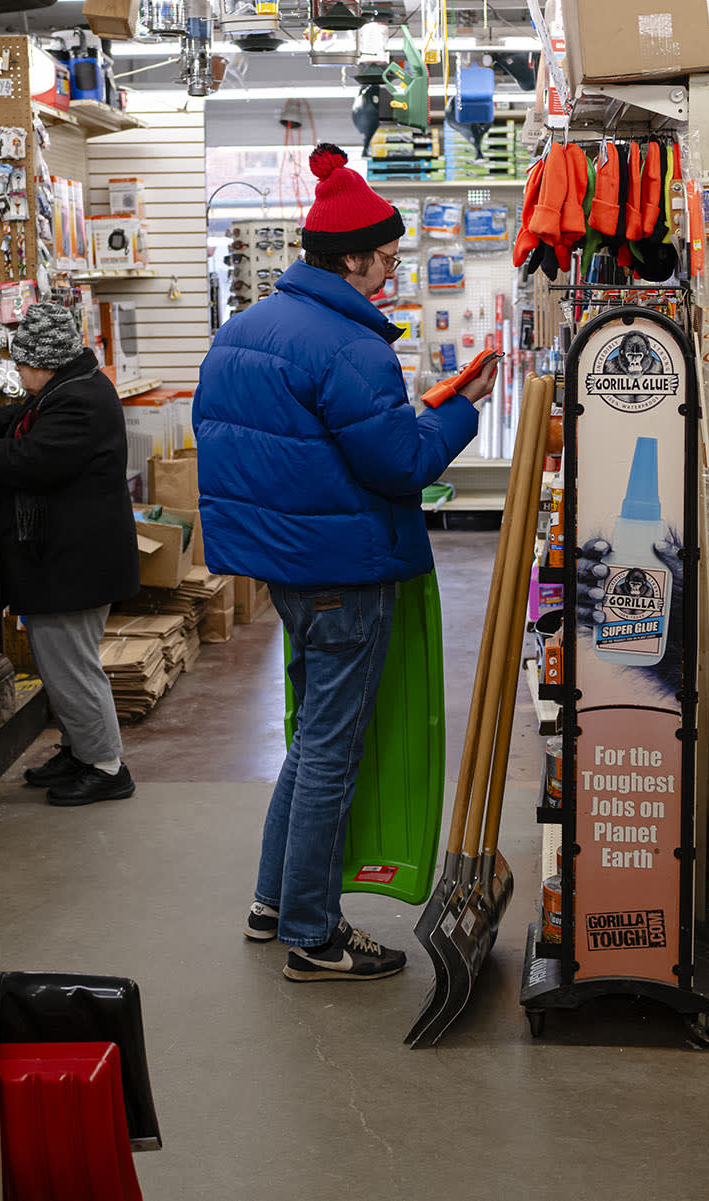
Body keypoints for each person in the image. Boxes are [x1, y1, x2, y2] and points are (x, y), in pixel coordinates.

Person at [193, 144, 497, 982]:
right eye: (388, 258)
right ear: (352, 257)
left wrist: (418, 414)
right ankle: (313, 932)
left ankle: (271, 900)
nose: (393, 272)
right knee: (332, 747)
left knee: (308, 738)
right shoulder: (351, 345)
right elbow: (398, 464)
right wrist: (462, 409)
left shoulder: (246, 330)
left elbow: (297, 450)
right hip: (344, 571)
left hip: (285, 570)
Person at [0, 303, 138, 806]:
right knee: (62, 665)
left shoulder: (80, 401)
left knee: (71, 668)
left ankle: (107, 766)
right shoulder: (68, 387)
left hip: (74, 567)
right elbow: (16, 421)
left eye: (22, 366)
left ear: (43, 363)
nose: (17, 375)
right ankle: (80, 750)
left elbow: (31, 459)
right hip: (69, 563)